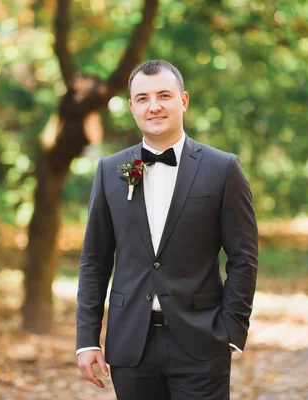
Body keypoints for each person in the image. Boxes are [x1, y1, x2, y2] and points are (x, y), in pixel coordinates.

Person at [76, 60, 258, 399]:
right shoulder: (109, 171)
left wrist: (232, 330)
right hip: (131, 345)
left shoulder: (223, 169)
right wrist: (87, 339)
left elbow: (243, 257)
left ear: (183, 101)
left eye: (164, 95)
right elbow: (94, 262)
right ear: (132, 107)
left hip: (202, 342)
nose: (154, 106)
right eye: (143, 98)